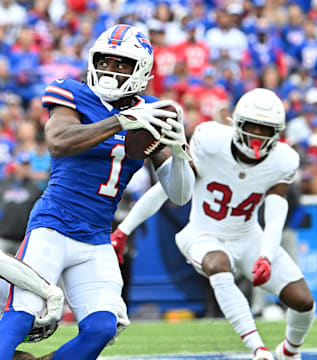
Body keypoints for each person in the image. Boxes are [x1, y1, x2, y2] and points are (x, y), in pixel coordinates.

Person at [0, 24, 194, 360]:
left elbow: (179, 195)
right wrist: (120, 122)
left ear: (142, 71)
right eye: (106, 60)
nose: (111, 70)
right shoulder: (72, 94)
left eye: (122, 64)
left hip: (96, 237)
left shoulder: (152, 111)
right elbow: (59, 143)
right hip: (53, 226)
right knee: (22, 314)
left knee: (103, 327)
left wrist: (178, 153)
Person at [112, 88, 316, 360]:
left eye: (265, 129)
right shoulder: (210, 141)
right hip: (203, 235)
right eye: (252, 126)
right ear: (236, 123)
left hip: (248, 236)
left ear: (277, 132)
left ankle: (289, 351)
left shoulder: (284, 159)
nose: (257, 135)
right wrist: (124, 230)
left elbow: (277, 208)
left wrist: (266, 255)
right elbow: (168, 187)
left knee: (303, 301)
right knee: (218, 265)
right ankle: (259, 349)